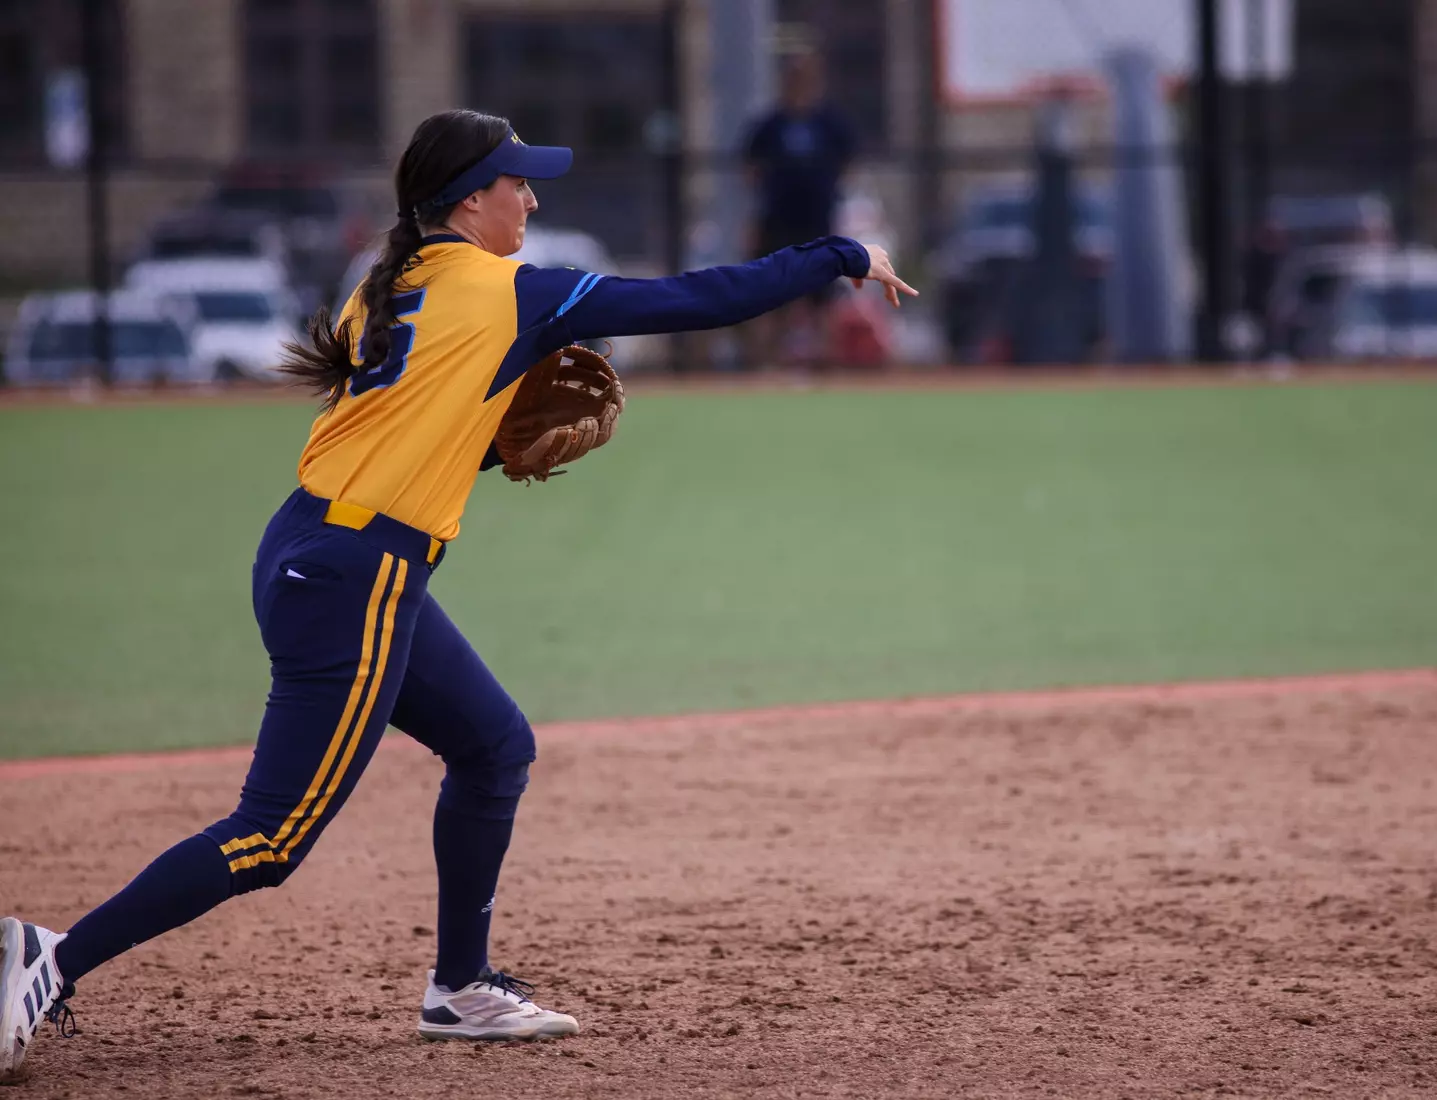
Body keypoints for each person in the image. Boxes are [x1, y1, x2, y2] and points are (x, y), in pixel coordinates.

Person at [0, 108, 914, 1077]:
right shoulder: (512, 290)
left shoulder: (385, 288)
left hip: (316, 548)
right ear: (470, 199)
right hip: (360, 576)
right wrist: (839, 252)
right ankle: (49, 962)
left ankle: (460, 985)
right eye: (517, 180)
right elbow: (696, 299)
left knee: (493, 745)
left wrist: (487, 443)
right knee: (270, 837)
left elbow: (404, 426)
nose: (531, 196)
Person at [743, 48, 858, 368]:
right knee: (770, 297)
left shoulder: (830, 122)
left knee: (822, 299)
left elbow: (848, 163)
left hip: (818, 223)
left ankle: (825, 366)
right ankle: (765, 366)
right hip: (778, 223)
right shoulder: (770, 125)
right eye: (793, 77)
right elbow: (751, 168)